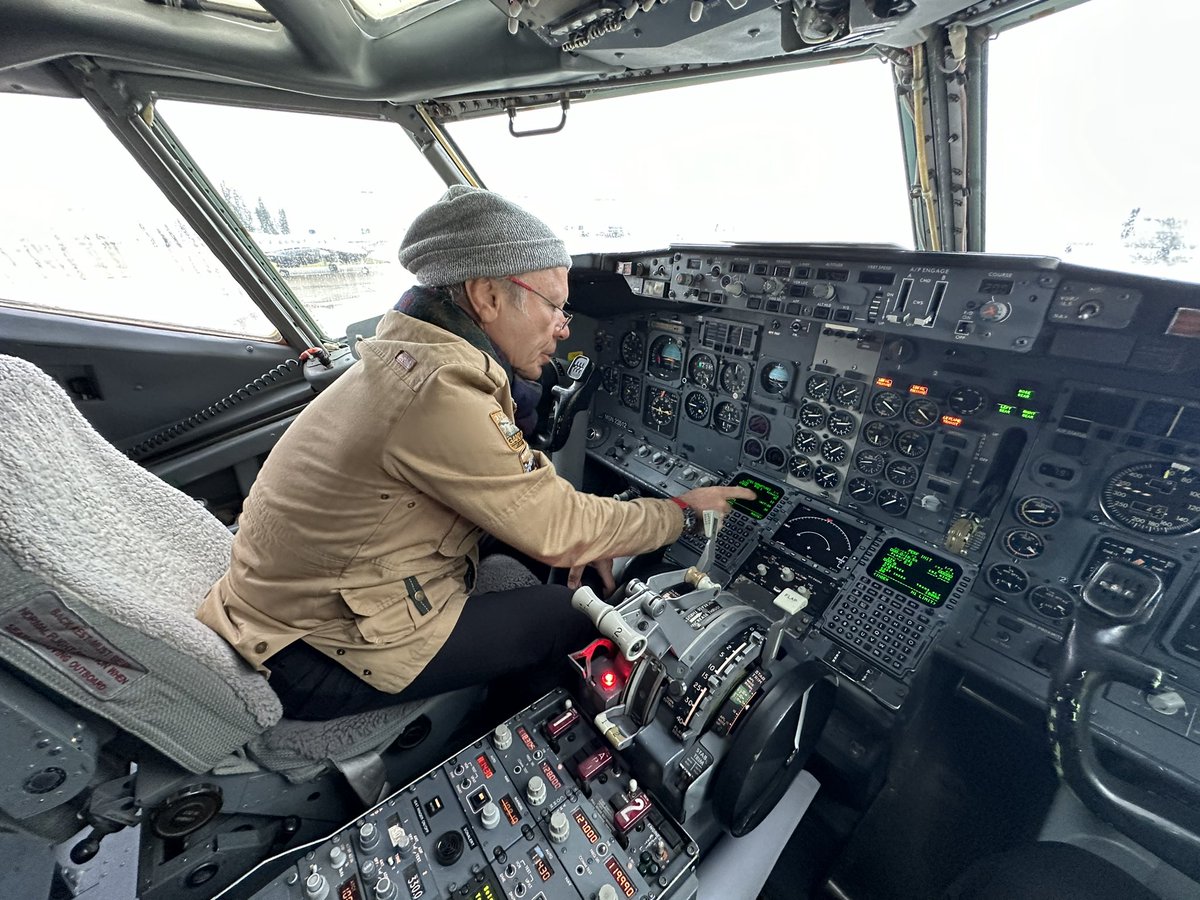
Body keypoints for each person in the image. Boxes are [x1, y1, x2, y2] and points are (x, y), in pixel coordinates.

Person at [196, 185, 753, 720]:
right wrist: (678, 514)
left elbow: (515, 485)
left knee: (558, 558)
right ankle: (520, 740)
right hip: (311, 651)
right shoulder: (438, 393)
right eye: (555, 306)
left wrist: (586, 536)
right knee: (579, 617)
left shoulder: (409, 356)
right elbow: (557, 525)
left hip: (299, 603)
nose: (563, 328)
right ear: (488, 296)